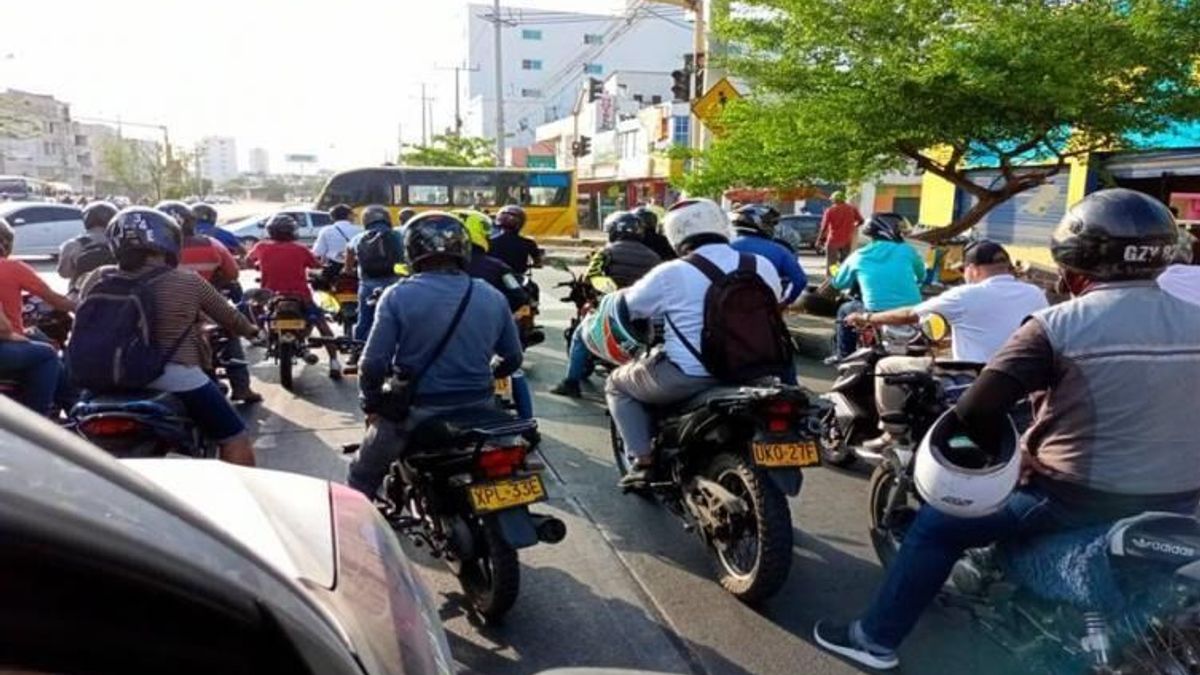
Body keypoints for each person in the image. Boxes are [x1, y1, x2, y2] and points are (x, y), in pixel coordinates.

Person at [814, 188, 1200, 670]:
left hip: (1072, 496)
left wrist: (1022, 454)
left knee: (936, 529)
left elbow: (974, 413)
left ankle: (873, 640)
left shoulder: (1056, 326)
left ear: (1072, 267)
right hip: (1182, 499)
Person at [606, 198, 782, 486]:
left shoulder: (671, 272)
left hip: (690, 376)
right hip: (757, 370)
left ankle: (643, 461)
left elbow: (631, 307)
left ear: (674, 233)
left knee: (617, 384)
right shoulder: (760, 264)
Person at [347, 212, 523, 497]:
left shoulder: (397, 295)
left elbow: (373, 363)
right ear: (463, 248)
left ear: (411, 251)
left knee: (360, 475)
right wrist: (484, 374)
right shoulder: (492, 295)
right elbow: (513, 358)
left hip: (417, 410)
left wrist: (371, 401)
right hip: (481, 404)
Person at [75, 207, 258, 466]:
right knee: (235, 438)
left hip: (102, 378)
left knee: (75, 439)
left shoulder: (98, 276)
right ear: (168, 240)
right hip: (173, 375)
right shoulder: (188, 281)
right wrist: (253, 331)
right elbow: (231, 319)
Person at [844, 240, 1048, 450]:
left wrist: (866, 318)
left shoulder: (965, 295)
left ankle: (894, 434)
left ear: (973, 269)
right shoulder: (1035, 293)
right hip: (1021, 380)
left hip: (973, 377)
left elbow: (910, 314)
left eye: (963, 270)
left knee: (887, 366)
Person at [159, 200, 261, 404]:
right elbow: (232, 274)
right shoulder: (211, 244)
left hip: (163, 311)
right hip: (208, 306)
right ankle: (241, 387)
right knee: (230, 334)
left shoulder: (152, 252)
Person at [550, 211, 661, 397]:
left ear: (614, 231)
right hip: (644, 314)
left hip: (612, 310)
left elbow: (590, 277)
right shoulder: (654, 257)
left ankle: (571, 383)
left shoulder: (606, 252)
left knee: (580, 338)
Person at [457, 209, 535, 422]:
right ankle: (528, 424)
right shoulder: (498, 267)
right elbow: (519, 296)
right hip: (491, 335)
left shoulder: (435, 270)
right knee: (515, 373)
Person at [245, 214, 343, 378]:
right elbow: (317, 265)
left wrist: (258, 266)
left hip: (270, 296)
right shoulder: (301, 249)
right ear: (293, 232)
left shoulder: (261, 246)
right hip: (300, 296)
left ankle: (261, 331)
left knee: (254, 306)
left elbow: (248, 261)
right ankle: (334, 362)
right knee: (321, 324)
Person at [0, 217, 74, 416]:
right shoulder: (13, 268)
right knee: (48, 354)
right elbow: (58, 301)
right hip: (4, 346)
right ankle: (38, 421)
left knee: (36, 337)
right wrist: (86, 307)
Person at [828, 213, 925, 363]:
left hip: (875, 312)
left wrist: (835, 272)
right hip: (912, 312)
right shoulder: (907, 250)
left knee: (844, 309)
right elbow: (921, 275)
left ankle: (844, 357)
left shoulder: (859, 255)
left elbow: (839, 283)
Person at [344, 204, 404, 342]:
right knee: (400, 317)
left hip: (368, 283)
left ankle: (358, 347)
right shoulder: (398, 235)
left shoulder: (358, 238)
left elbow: (348, 266)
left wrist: (350, 271)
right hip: (395, 282)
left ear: (366, 220)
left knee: (364, 319)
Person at [729, 204, 808, 305]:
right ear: (759, 223)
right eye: (770, 224)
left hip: (727, 305)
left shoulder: (726, 246)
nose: (773, 228)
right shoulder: (780, 250)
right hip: (765, 307)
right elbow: (800, 281)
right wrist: (786, 302)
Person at [57, 200, 117, 294]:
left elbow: (64, 273)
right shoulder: (119, 242)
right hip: (115, 293)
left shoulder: (73, 244)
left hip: (81, 294)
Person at [488, 204, 543, 277]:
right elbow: (538, 263)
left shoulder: (490, 242)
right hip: (517, 276)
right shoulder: (529, 243)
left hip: (494, 276)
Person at [818, 191, 864, 271]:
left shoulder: (830, 210)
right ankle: (843, 276)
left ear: (835, 200)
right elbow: (861, 221)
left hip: (833, 240)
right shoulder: (852, 209)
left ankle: (833, 277)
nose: (832, 201)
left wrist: (819, 239)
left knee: (832, 263)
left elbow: (824, 227)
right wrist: (853, 226)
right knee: (844, 262)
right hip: (847, 240)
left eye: (832, 200)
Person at [312, 203, 361, 268]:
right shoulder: (360, 230)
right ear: (349, 215)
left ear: (332, 217)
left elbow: (318, 252)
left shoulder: (326, 230)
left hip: (333, 267)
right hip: (354, 267)